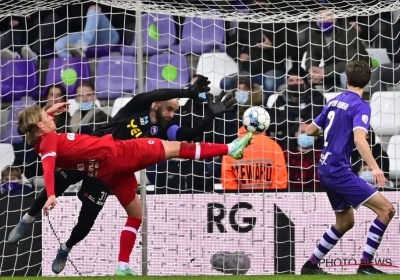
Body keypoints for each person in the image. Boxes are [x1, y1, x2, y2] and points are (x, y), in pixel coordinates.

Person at [8, 76, 242, 275]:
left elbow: (189, 134)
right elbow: (155, 94)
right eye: (169, 108)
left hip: (114, 169)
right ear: (156, 105)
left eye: (174, 110)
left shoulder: (163, 129)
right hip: (92, 157)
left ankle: (67, 248)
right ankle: (27, 219)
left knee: (88, 219)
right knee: (57, 180)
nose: (171, 114)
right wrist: (188, 92)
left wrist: (210, 117)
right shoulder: (136, 108)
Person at [300, 60, 395, 275]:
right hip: (339, 171)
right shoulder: (361, 106)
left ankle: (310, 265)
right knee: (386, 209)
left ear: (347, 79)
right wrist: (376, 168)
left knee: (345, 221)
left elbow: (310, 131)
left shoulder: (334, 100)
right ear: (367, 82)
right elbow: (360, 139)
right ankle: (365, 265)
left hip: (325, 169)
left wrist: (334, 133)